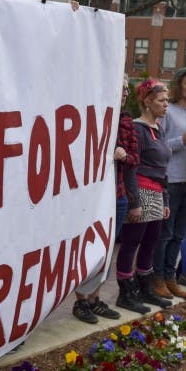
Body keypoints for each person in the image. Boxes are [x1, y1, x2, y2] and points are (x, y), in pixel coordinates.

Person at [72, 79, 131, 324]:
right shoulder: (91, 116)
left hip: (118, 194)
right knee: (87, 249)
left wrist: (125, 155)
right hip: (93, 197)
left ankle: (95, 298)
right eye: (120, 87)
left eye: (127, 89)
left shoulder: (125, 121)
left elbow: (136, 157)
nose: (124, 92)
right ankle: (81, 301)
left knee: (106, 251)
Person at [115, 79, 173, 311]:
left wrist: (165, 199)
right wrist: (135, 201)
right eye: (162, 100)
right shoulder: (138, 129)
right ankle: (125, 292)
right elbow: (132, 166)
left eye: (167, 100)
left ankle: (145, 288)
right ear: (148, 102)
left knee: (151, 242)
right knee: (132, 242)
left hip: (157, 192)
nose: (166, 104)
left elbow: (163, 168)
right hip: (141, 189)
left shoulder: (159, 129)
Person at [157, 66, 186, 295]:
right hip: (171, 181)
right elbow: (158, 147)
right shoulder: (167, 112)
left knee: (179, 235)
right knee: (165, 234)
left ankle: (170, 277)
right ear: (178, 86)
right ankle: (157, 279)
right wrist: (181, 140)